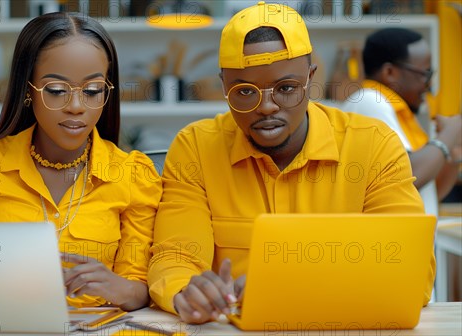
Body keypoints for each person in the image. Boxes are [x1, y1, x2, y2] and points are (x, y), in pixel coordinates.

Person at [148, 2, 430, 324]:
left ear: (310, 79)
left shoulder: (373, 144)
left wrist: (278, 288)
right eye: (244, 91)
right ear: (224, 85)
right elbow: (175, 257)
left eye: (286, 88)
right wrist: (187, 291)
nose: (266, 107)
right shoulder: (196, 148)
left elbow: (410, 271)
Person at [0, 12, 162, 311]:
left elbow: (140, 288)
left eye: (93, 91)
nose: (75, 107)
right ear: (28, 90)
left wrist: (118, 286)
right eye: (56, 91)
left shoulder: (134, 175)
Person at [342, 28, 461, 215]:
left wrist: (454, 152)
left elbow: (429, 191)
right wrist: (450, 132)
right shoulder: (370, 100)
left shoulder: (399, 112)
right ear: (390, 72)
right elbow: (406, 177)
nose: (428, 84)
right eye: (425, 74)